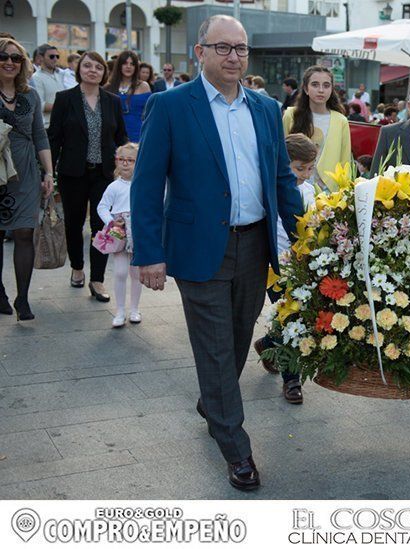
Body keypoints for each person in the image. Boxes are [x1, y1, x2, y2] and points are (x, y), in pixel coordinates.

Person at [131, 14, 303, 492]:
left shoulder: (267, 108)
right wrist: (149, 252)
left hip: (254, 245)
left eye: (241, 49)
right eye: (223, 48)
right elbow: (145, 185)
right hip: (197, 246)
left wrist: (307, 237)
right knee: (214, 346)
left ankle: (214, 399)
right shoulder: (169, 106)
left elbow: (282, 180)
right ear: (200, 52)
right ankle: (235, 446)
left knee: (237, 337)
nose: (234, 57)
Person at [49, 50, 127, 301]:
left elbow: (121, 138)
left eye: (98, 67)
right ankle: (77, 268)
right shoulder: (65, 99)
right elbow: (54, 139)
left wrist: (126, 164)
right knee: (73, 223)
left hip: (104, 174)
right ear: (79, 70)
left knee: (102, 225)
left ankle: (97, 280)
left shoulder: (112, 101)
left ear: (105, 72)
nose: (93, 70)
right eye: (87, 66)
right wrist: (48, 173)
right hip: (73, 172)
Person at [254, 133, 317, 403]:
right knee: (290, 317)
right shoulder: (269, 190)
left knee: (296, 317)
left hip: (302, 264)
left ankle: (268, 344)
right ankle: (292, 380)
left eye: (309, 168)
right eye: (298, 168)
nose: (304, 174)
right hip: (275, 266)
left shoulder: (310, 190)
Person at [0, 38, 54, 320]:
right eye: (3, 57)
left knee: (24, 232)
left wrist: (48, 172)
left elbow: (39, 135)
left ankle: (23, 298)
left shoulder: (30, 95)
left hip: (25, 171)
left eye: (16, 58)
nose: (9, 62)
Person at [96, 143, 143, 328]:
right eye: (121, 159)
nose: (125, 163)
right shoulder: (114, 186)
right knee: (121, 272)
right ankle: (120, 310)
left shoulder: (142, 185)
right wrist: (110, 221)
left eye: (130, 160)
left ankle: (134, 309)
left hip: (138, 232)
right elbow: (101, 207)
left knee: (136, 273)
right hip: (120, 232)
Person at [283, 65, 350, 191]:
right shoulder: (290, 115)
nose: (321, 90)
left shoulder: (341, 120)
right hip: (295, 187)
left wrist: (344, 193)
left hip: (329, 191)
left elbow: (345, 162)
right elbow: (282, 154)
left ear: (331, 89)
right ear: (305, 89)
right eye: (315, 84)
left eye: (326, 85)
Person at [104, 50, 151, 143]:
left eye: (132, 64)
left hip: (138, 134)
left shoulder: (144, 86)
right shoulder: (108, 87)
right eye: (125, 63)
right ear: (119, 65)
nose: (128, 66)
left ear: (136, 67)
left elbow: (149, 115)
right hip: (114, 136)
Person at [29, 44, 64, 128]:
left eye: (57, 56)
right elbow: (39, 105)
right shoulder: (36, 78)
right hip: (47, 126)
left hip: (63, 124)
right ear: (40, 58)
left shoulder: (60, 74)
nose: (55, 59)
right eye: (51, 56)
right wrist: (64, 105)